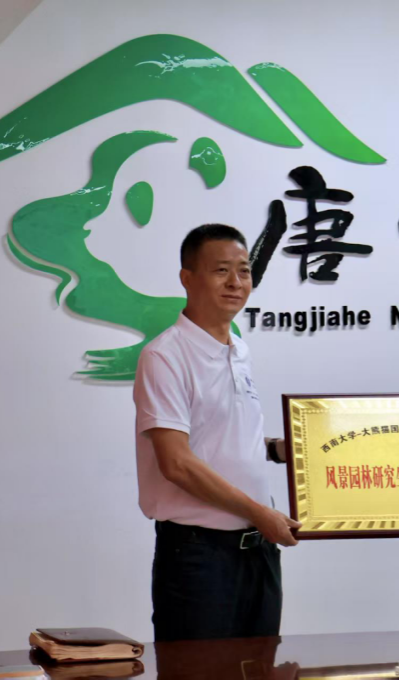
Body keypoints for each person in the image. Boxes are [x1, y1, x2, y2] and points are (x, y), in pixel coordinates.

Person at [133, 224, 301, 642]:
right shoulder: (165, 356)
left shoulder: (239, 350)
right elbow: (177, 463)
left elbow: (221, 438)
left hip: (259, 552)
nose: (235, 283)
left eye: (244, 271)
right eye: (221, 270)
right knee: (199, 668)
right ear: (187, 278)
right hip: (199, 556)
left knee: (259, 665)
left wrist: (280, 449)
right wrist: (260, 513)